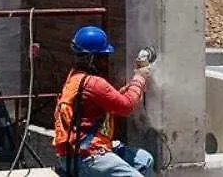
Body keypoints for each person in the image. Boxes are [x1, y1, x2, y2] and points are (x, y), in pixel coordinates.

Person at [53, 25, 155, 177]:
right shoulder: (94, 83)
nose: (106, 61)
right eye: (103, 57)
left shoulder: (77, 78)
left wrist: (134, 85)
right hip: (86, 157)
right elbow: (126, 106)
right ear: (92, 58)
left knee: (143, 160)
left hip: (75, 154)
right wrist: (140, 76)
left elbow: (113, 101)